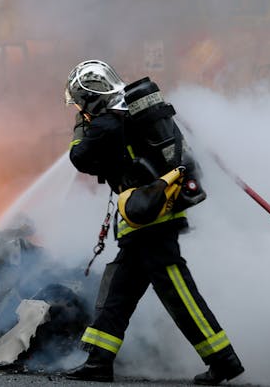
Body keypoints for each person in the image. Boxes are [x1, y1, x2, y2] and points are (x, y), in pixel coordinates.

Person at [63, 60, 244, 385]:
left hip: (152, 224)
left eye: (80, 103)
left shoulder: (107, 122)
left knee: (179, 293)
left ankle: (223, 360)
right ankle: (99, 362)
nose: (80, 109)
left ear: (89, 97)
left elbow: (80, 158)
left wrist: (80, 128)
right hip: (143, 222)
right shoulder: (129, 115)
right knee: (119, 294)